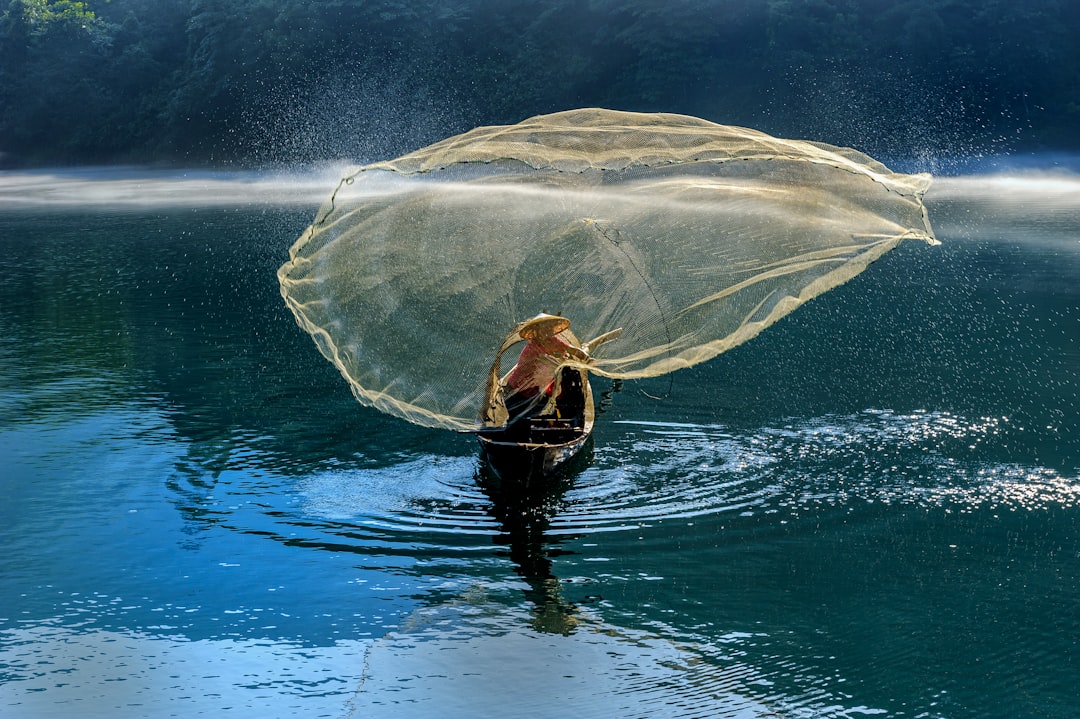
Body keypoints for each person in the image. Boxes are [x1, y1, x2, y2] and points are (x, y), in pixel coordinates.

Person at [505, 313, 590, 399]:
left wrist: (584, 356)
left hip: (536, 384)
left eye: (550, 328)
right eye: (545, 329)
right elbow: (544, 364)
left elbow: (569, 348)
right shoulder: (532, 349)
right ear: (537, 331)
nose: (548, 331)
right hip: (519, 385)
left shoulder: (552, 340)